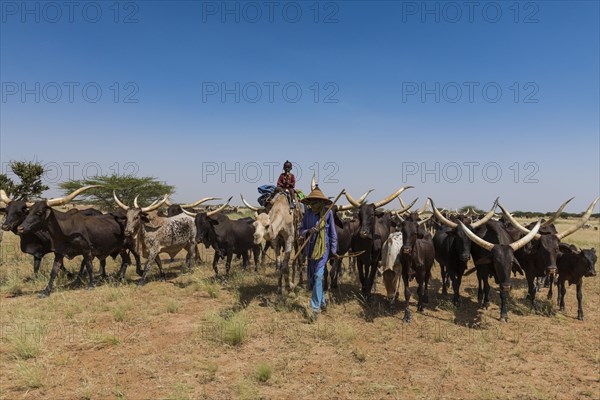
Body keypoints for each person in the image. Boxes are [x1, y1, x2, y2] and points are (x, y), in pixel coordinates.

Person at [300, 185, 338, 322]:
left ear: (322, 202)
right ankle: (322, 303)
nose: (315, 204)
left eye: (317, 201)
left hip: (323, 249)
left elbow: (333, 233)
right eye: (313, 201)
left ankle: (315, 309)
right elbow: (301, 230)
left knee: (317, 276)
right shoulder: (308, 214)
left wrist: (333, 251)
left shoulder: (328, 213)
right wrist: (308, 231)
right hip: (310, 249)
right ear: (310, 202)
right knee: (313, 277)